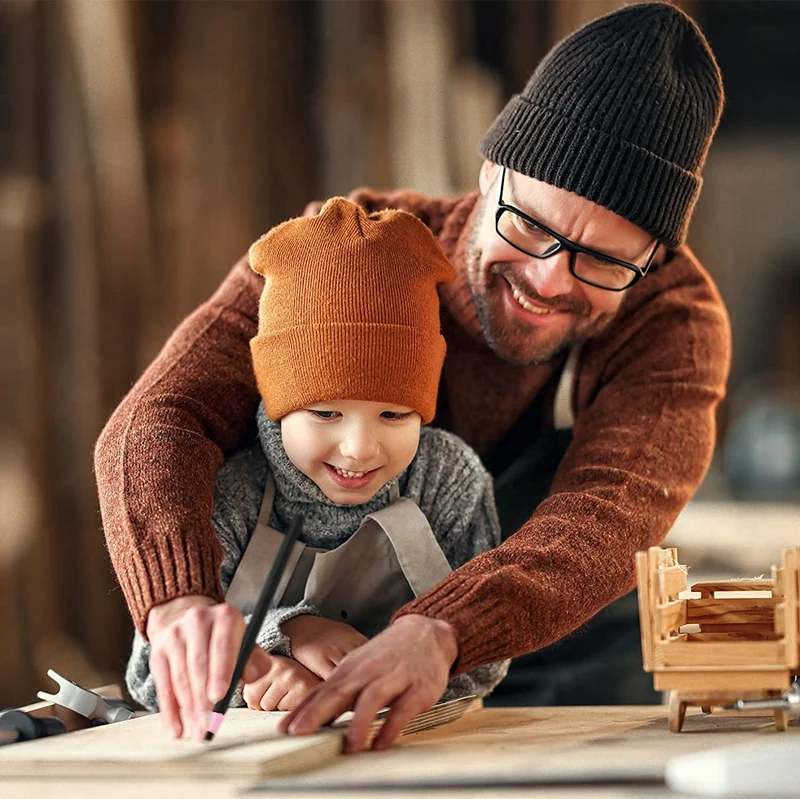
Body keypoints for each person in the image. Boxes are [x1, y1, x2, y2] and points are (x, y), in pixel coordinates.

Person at [95, 2, 731, 752]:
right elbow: (164, 415)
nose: (548, 279)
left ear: (653, 259)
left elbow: (609, 512)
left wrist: (445, 629)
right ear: (491, 172)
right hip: (327, 676)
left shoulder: (674, 324)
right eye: (529, 224)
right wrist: (178, 599)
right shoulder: (347, 251)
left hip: (574, 678)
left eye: (603, 260)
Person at [123, 198, 508, 739]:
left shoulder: (448, 482)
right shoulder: (229, 494)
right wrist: (279, 653)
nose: (357, 449)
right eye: (325, 412)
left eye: (394, 414)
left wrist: (378, 674)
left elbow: (488, 664)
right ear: (278, 401)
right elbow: (149, 681)